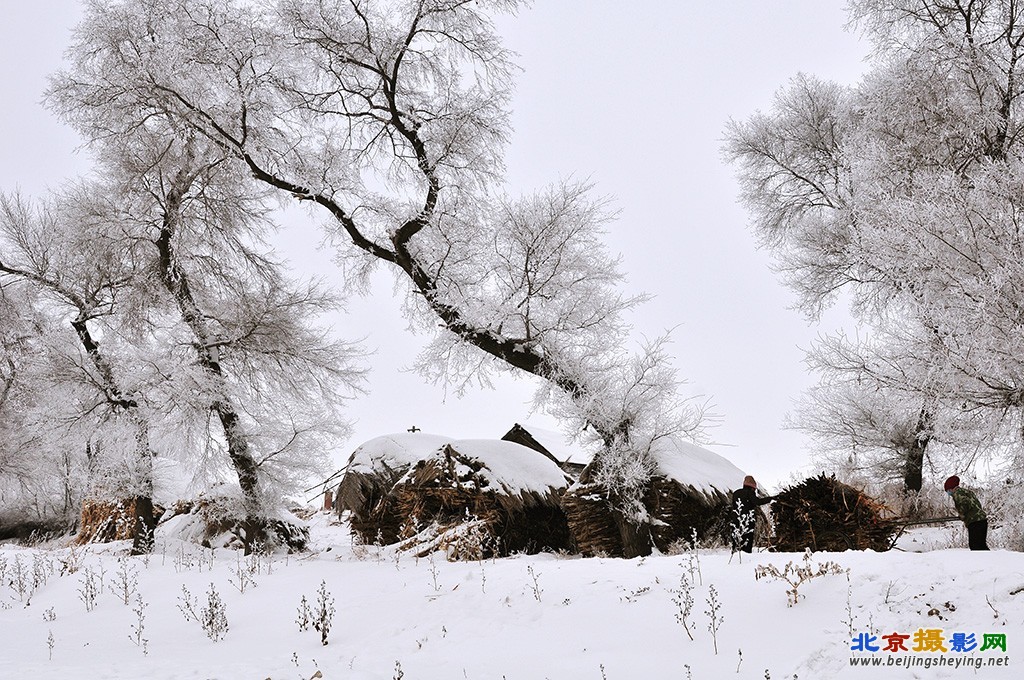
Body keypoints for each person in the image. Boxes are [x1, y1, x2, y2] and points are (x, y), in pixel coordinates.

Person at [944, 475, 989, 550]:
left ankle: (980, 561)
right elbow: (977, 504)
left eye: (948, 490)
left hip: (974, 522)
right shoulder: (968, 492)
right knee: (981, 545)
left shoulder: (957, 493)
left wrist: (962, 514)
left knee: (975, 546)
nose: (948, 493)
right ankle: (989, 560)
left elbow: (964, 503)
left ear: (951, 488)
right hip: (982, 520)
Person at [731, 475, 774, 553]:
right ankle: (746, 554)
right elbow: (757, 502)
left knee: (736, 538)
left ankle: (735, 554)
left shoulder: (736, 493)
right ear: (752, 487)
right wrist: (770, 499)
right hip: (748, 518)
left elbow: (734, 506)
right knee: (748, 537)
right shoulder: (750, 493)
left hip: (736, 519)